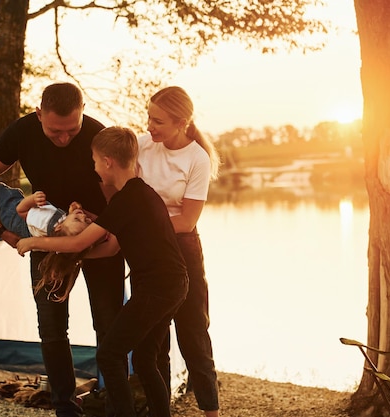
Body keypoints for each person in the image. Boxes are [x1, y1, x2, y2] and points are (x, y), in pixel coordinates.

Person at [0, 83, 126, 417]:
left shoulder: (98, 135)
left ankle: (116, 406)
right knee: (53, 327)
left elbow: (120, 191)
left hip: (97, 234)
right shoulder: (22, 132)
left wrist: (112, 233)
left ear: (83, 110)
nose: (64, 138)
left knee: (109, 324)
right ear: (39, 114)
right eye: (55, 131)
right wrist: (0, 228)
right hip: (49, 234)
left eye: (72, 130)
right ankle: (65, 407)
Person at [17, 126, 189, 417]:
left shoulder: (127, 200)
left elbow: (78, 242)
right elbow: (109, 248)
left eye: (95, 160)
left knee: (109, 355)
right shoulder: (139, 194)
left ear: (108, 161)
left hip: (157, 290)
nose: (93, 166)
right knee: (146, 360)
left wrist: (33, 242)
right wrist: (75, 254)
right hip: (173, 285)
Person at [137, 86, 221, 417]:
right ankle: (161, 410)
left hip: (183, 252)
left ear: (181, 122)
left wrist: (139, 226)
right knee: (154, 338)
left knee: (193, 334)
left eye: (157, 121)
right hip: (147, 253)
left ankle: (211, 411)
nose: (149, 126)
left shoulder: (197, 158)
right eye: (148, 117)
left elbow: (186, 220)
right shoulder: (143, 146)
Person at [0, 158, 95, 301]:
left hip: (11, 212)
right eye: (85, 220)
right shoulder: (59, 233)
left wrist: (31, 200)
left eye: (77, 219)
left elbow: (21, 210)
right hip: (18, 220)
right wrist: (75, 211)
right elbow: (72, 223)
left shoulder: (45, 222)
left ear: (60, 227)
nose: (83, 216)